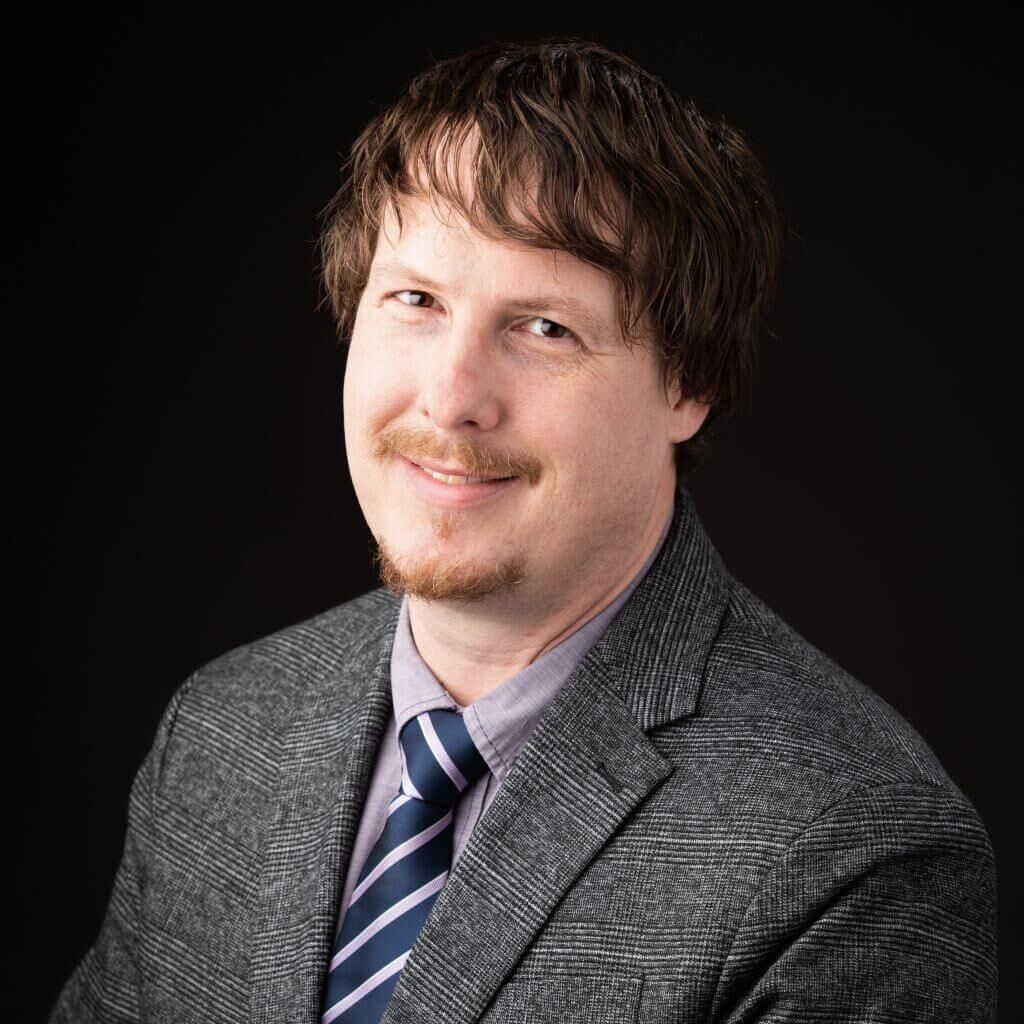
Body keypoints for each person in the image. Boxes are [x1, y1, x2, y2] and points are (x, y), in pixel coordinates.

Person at [49, 37, 997, 1024]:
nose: (452, 398)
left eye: (542, 326)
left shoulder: (854, 848)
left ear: (692, 384)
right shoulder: (222, 727)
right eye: (415, 300)